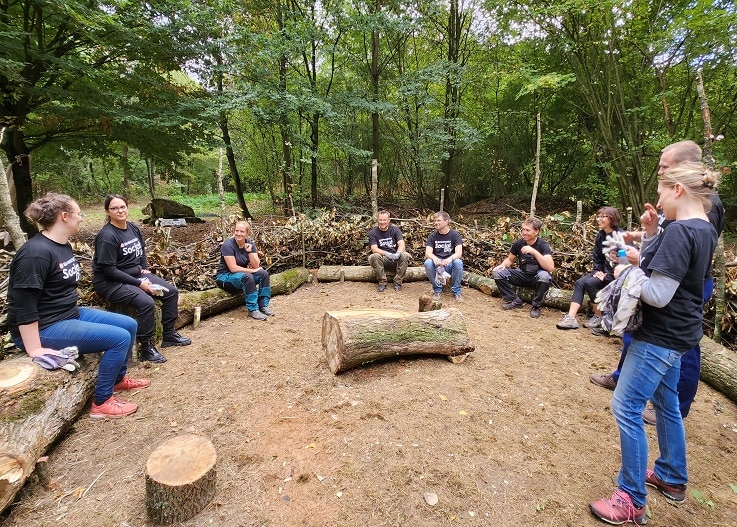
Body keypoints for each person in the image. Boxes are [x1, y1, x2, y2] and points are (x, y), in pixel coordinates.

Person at [588, 161, 719, 525]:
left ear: (677, 189)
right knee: (666, 402)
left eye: (661, 192)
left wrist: (628, 272)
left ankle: (631, 498)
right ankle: (672, 476)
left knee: (626, 407)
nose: (658, 202)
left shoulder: (680, 232)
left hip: (658, 336)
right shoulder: (703, 227)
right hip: (682, 333)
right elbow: (671, 269)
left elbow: (659, 293)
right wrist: (649, 236)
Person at [590, 140, 725, 425]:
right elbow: (665, 233)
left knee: (682, 348)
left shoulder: (704, 204)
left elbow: (682, 247)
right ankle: (622, 376)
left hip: (682, 286)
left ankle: (678, 404)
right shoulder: (678, 200)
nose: (659, 170)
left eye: (664, 166)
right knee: (638, 329)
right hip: (658, 277)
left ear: (683, 170)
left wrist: (636, 264)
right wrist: (641, 236)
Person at [7, 193, 147, 419]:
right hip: (44, 327)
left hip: (68, 314)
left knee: (129, 324)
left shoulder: (63, 245)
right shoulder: (36, 254)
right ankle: (102, 403)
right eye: (79, 213)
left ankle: (118, 380)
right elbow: (24, 305)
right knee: (118, 338)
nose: (81, 218)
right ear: (64, 217)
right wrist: (34, 348)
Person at [92, 195, 191, 364]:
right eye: (114, 208)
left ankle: (169, 334)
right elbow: (108, 270)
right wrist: (139, 284)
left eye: (122, 207)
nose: (120, 211)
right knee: (146, 303)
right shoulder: (107, 236)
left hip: (135, 273)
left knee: (171, 292)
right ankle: (146, 347)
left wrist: (144, 267)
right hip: (110, 282)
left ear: (127, 208)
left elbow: (142, 249)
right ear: (107, 212)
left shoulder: (132, 228)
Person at [557, 207, 624, 330]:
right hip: (603, 271)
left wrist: (608, 276)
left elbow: (625, 260)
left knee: (590, 283)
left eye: (602, 217)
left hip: (618, 277)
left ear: (612, 218)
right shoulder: (601, 235)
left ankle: (599, 317)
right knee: (580, 282)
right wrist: (597, 271)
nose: (598, 219)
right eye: (598, 216)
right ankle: (571, 318)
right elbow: (597, 257)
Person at [492, 217, 554, 318]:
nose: (524, 233)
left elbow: (550, 267)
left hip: (537, 277)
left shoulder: (543, 245)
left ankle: (536, 306)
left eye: (527, 230)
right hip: (522, 274)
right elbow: (509, 260)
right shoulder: (518, 244)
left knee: (544, 276)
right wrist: (502, 265)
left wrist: (534, 252)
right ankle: (514, 300)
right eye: (523, 229)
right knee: (498, 273)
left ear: (536, 231)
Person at [216, 220, 273, 321]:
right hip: (225, 277)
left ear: (247, 233)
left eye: (242, 231)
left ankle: (263, 305)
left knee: (263, 274)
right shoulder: (228, 245)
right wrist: (252, 271)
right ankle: (253, 310)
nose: (238, 233)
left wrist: (250, 251)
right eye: (236, 231)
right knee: (248, 276)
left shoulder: (250, 243)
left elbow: (256, 265)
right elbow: (233, 268)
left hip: (240, 276)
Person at [424, 211, 464, 301]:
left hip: (449, 263)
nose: (436, 223)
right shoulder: (432, 236)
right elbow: (428, 253)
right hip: (437, 264)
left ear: (446, 222)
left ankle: (457, 292)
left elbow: (459, 253)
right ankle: (437, 290)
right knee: (428, 262)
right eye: (435, 220)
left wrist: (449, 259)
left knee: (458, 262)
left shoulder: (455, 235)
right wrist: (435, 258)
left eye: (438, 220)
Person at [368, 210, 410, 292]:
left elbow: (402, 244)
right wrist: (387, 254)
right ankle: (382, 282)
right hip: (382, 259)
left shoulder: (395, 230)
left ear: (389, 220)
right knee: (374, 256)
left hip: (395, 259)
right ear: (378, 220)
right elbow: (374, 249)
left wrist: (398, 253)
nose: (382, 222)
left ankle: (398, 282)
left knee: (405, 255)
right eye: (380, 220)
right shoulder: (373, 232)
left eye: (384, 220)